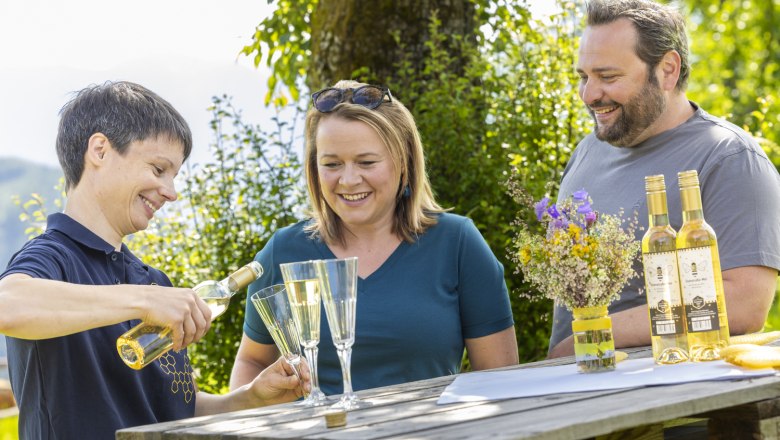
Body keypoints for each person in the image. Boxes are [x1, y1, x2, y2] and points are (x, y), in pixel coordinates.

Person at [0, 81, 308, 438]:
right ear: (100, 150)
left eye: (174, 176)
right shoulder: (53, 257)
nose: (172, 193)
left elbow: (175, 407)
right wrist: (143, 300)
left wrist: (250, 398)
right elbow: (8, 305)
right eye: (158, 169)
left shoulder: (153, 280)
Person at [230, 80, 518, 395]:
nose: (349, 180)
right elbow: (252, 363)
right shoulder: (284, 251)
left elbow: (499, 382)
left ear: (404, 162)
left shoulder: (458, 243)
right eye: (332, 164)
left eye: (367, 162)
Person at [548, 0, 780, 357]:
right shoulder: (587, 151)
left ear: (667, 70)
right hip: (569, 395)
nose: (589, 95)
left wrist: (592, 336)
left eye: (608, 77)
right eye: (584, 76)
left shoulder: (728, 158)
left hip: (672, 403)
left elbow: (744, 304)